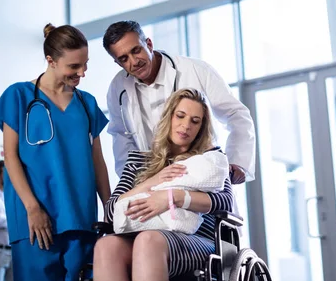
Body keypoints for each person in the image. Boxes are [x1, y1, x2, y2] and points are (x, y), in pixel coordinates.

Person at [0, 24, 111, 281]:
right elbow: (11, 157)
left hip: (79, 216)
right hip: (32, 218)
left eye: (85, 65)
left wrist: (109, 207)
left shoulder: (86, 104)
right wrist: (32, 207)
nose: (81, 73)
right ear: (51, 60)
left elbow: (97, 161)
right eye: (74, 66)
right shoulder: (19, 96)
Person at [93, 88, 235, 281]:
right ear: (169, 116)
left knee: (149, 240)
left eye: (195, 121)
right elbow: (112, 212)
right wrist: (153, 182)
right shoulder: (138, 161)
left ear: (202, 127)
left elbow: (225, 202)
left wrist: (175, 196)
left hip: (196, 242)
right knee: (106, 246)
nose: (186, 126)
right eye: (180, 116)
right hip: (140, 239)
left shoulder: (209, 161)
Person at [103, 20, 256, 184]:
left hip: (202, 173)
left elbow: (235, 114)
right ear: (117, 63)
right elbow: (121, 137)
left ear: (148, 44)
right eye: (124, 58)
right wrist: (133, 182)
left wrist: (237, 162)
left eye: (136, 50)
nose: (134, 61)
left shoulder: (196, 70)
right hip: (155, 180)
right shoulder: (117, 88)